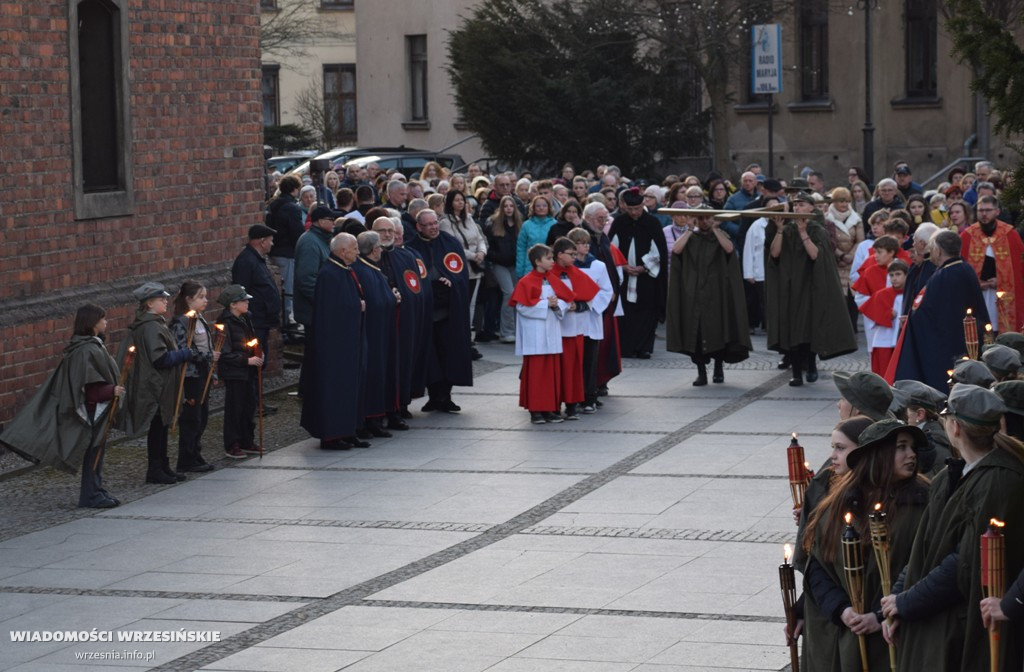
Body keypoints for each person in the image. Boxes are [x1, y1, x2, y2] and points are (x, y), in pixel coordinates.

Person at [881, 384, 1024, 672]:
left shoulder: (999, 481)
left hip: (960, 629)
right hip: (928, 617)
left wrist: (907, 602)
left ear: (955, 427)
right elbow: (922, 547)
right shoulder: (950, 474)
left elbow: (965, 563)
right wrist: (895, 601)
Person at [801, 418, 930, 672]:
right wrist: (841, 609)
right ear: (878, 454)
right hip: (845, 635)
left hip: (893, 636)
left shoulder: (924, 502)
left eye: (912, 448)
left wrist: (880, 615)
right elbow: (816, 565)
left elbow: (924, 565)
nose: (911, 455)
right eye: (901, 447)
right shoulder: (840, 501)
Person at [0, 304, 124, 508]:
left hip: (97, 409)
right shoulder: (86, 350)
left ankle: (96, 489)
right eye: (103, 319)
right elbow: (87, 387)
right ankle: (90, 495)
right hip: (91, 410)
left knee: (98, 452)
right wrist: (111, 391)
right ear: (93, 323)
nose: (106, 322)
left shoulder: (92, 346)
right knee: (93, 452)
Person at [789, 415, 874, 669]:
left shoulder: (873, 498)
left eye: (841, 448)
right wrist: (802, 609)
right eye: (833, 448)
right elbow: (816, 561)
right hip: (829, 612)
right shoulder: (830, 489)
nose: (833, 456)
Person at [765, 193, 857, 386]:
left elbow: (816, 255)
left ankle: (811, 365)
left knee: (809, 326)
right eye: (795, 205)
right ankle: (797, 372)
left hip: (810, 285)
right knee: (792, 328)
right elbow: (774, 253)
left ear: (810, 207)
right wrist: (780, 230)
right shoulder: (787, 228)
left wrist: (803, 232)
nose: (797, 208)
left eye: (801, 204)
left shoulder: (817, 229)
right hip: (790, 286)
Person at [120, 282, 199, 483]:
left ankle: (163, 465)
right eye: (161, 299)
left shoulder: (156, 323)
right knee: (157, 427)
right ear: (149, 304)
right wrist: (183, 354)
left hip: (160, 384)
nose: (166, 301)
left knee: (162, 425)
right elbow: (160, 359)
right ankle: (155, 469)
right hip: (155, 385)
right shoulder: (150, 326)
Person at [892, 230, 989, 389]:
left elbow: (922, 313)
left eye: (932, 249)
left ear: (937, 250)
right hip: (966, 340)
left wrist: (911, 317)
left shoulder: (941, 276)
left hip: (945, 346)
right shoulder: (966, 268)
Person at [666, 207, 751, 386]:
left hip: (716, 293)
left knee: (719, 331)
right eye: (701, 219)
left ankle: (718, 369)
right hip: (695, 293)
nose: (704, 222)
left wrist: (715, 228)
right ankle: (701, 373)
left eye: (707, 219)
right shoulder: (691, 237)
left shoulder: (719, 236)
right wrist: (689, 229)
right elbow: (676, 250)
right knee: (696, 334)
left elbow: (729, 249)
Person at [300, 233, 370, 450]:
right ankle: (332, 434)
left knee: (351, 387)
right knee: (336, 388)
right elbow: (331, 311)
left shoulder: (343, 270)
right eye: (354, 248)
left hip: (348, 341)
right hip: (335, 345)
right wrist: (356, 306)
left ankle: (348, 430)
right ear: (342, 251)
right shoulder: (330, 274)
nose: (358, 252)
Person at [406, 208, 473, 413]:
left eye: (435, 223)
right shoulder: (412, 247)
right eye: (428, 225)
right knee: (430, 356)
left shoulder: (450, 243)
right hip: (426, 313)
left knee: (449, 353)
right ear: (419, 227)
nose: (433, 227)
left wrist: (450, 280)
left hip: (448, 311)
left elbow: (461, 274)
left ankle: (446, 395)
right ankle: (434, 395)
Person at [510, 244, 570, 424]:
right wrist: (546, 304)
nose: (553, 261)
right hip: (534, 333)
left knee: (552, 372)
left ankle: (551, 408)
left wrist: (557, 303)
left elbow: (565, 300)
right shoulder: (526, 281)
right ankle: (536, 410)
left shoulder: (553, 279)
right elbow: (522, 307)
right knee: (536, 373)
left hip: (551, 330)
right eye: (549, 258)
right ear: (537, 261)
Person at [609, 187, 669, 359]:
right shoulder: (619, 222)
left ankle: (643, 347)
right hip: (624, 276)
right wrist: (624, 265)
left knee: (646, 311)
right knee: (626, 312)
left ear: (643, 205)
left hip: (647, 277)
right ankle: (626, 347)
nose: (634, 213)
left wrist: (644, 266)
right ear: (624, 207)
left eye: (637, 209)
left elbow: (658, 252)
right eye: (630, 209)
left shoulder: (652, 223)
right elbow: (612, 247)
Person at [373, 216, 421, 429]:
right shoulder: (369, 258)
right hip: (379, 324)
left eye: (390, 231)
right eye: (382, 230)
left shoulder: (405, 256)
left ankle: (399, 406)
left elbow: (415, 286)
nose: (386, 235)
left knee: (401, 363)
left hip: (403, 321)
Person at [168, 281, 218, 473]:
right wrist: (206, 357)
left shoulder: (199, 319)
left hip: (203, 372)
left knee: (202, 416)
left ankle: (195, 452)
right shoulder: (181, 323)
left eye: (205, 296)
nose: (205, 300)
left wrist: (212, 369)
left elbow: (207, 345)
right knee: (191, 417)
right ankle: (186, 457)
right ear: (188, 300)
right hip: (190, 375)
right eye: (201, 297)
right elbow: (184, 349)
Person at [551, 236, 600, 419]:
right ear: (559, 255)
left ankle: (572, 404)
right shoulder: (550, 274)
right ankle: (553, 405)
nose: (575, 257)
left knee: (573, 370)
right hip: (554, 330)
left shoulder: (577, 273)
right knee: (556, 371)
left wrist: (576, 306)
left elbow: (590, 298)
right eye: (571, 254)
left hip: (574, 330)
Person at [960, 194, 1024, 334]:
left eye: (988, 210)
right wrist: (976, 283)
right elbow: (960, 268)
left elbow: (1020, 268)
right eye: (980, 210)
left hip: (1003, 295)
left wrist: (1000, 281)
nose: (984, 214)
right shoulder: (967, 236)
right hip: (977, 294)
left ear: (997, 211)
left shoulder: (1010, 235)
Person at [567, 228, 614, 414]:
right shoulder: (565, 268)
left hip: (590, 319)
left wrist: (587, 304)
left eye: (587, 242)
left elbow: (606, 291)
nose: (585, 246)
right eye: (580, 242)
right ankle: (572, 397)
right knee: (573, 362)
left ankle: (589, 397)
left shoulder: (598, 266)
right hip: (570, 320)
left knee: (589, 360)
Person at [214, 285, 263, 459]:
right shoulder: (224, 324)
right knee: (235, 408)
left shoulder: (245, 319)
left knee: (248, 407)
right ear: (233, 304)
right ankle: (232, 443)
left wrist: (257, 352)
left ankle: (246, 439)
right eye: (243, 300)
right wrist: (246, 360)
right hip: (235, 372)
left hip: (247, 370)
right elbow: (225, 353)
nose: (247, 303)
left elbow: (251, 340)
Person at [582, 201, 626, 395]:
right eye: (600, 219)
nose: (603, 222)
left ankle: (600, 381)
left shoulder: (602, 237)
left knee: (606, 341)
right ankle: (590, 383)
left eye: (605, 219)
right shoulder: (582, 238)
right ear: (588, 218)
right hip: (591, 300)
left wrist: (612, 289)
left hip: (607, 299)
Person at [230, 224, 281, 380]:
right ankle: (252, 401)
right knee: (255, 359)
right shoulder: (246, 261)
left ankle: (256, 400)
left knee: (260, 359)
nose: (272, 244)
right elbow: (240, 291)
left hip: (262, 319)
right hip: (255, 321)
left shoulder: (257, 260)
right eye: (270, 240)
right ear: (261, 241)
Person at [266, 175, 306, 326]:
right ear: (295, 189)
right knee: (287, 290)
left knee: (280, 289)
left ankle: (284, 321)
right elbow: (296, 232)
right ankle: (286, 323)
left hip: (273, 250)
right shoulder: (292, 208)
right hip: (287, 252)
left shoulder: (273, 204)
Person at [859, 259, 908, 376]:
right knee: (883, 373)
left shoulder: (911, 294)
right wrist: (886, 316)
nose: (894, 278)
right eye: (891, 275)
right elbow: (871, 316)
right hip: (884, 339)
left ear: (906, 275)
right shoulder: (881, 295)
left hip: (903, 340)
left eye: (898, 274)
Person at [825, 187, 864, 330]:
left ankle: (852, 327)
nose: (844, 204)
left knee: (852, 295)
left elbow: (860, 240)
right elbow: (827, 240)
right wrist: (840, 254)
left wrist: (850, 256)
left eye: (847, 201)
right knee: (837, 296)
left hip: (851, 262)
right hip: (835, 261)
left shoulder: (856, 218)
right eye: (841, 201)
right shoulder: (827, 218)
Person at [484, 195, 522, 344]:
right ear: (501, 207)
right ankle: (507, 331)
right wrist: (496, 257)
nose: (508, 209)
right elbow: (488, 245)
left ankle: (516, 329)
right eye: (505, 206)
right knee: (509, 293)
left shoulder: (519, 223)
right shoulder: (493, 223)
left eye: (511, 206)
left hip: (515, 264)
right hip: (499, 263)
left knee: (517, 295)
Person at [516, 195, 558, 279]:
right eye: (538, 206)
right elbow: (521, 248)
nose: (541, 208)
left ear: (548, 207)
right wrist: (519, 270)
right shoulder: (526, 225)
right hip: (530, 267)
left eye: (544, 205)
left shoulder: (555, 224)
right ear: (533, 208)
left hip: (549, 267)